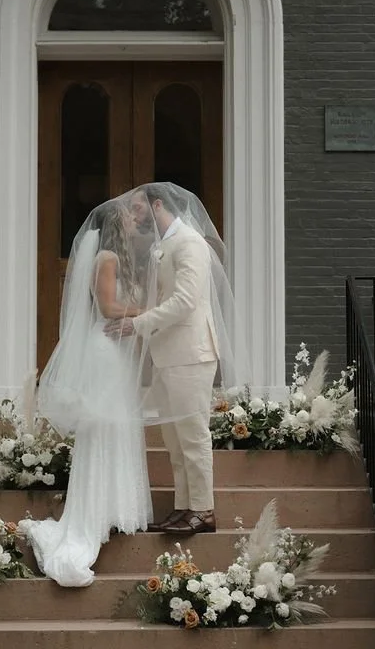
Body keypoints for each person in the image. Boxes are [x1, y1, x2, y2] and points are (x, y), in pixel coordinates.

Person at [18, 199, 154, 587]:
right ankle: (91, 516)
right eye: (129, 215)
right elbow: (109, 307)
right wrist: (145, 308)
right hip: (106, 352)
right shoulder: (107, 258)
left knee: (118, 427)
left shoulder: (124, 260)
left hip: (120, 357)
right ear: (115, 224)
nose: (135, 219)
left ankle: (115, 508)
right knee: (103, 429)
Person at [104, 183, 245, 536]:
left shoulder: (189, 243)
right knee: (174, 440)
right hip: (168, 354)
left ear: (157, 205)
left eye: (137, 209)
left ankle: (204, 510)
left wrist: (136, 324)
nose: (134, 216)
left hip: (190, 354)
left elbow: (184, 301)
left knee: (193, 436)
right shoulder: (162, 247)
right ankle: (184, 507)